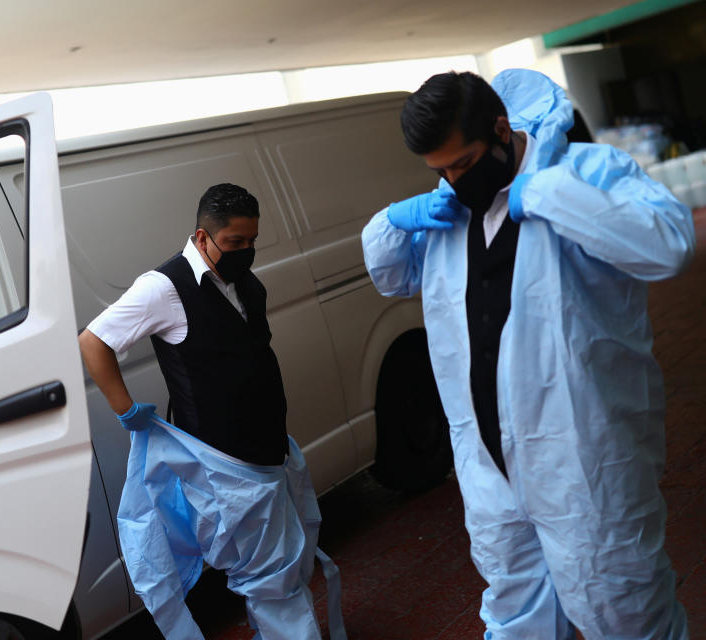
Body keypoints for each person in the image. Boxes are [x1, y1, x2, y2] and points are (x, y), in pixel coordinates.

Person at [362, 68, 693, 639]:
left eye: (461, 163)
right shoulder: (448, 213)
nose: (451, 180)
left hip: (584, 458)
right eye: (438, 170)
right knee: (517, 609)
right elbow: (391, 276)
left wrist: (549, 194)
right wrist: (392, 221)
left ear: (500, 128)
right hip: (487, 461)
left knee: (623, 608)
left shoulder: (587, 173)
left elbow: (667, 245)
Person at [78, 183, 345, 640]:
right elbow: (93, 341)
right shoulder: (163, 288)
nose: (246, 251)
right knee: (271, 577)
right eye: (235, 243)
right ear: (203, 237)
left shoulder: (240, 280)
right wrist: (125, 411)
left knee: (282, 565)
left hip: (270, 453)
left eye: (252, 241)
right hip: (226, 468)